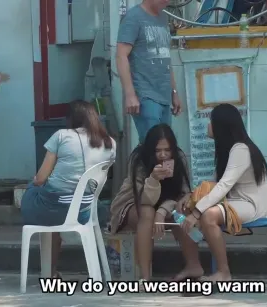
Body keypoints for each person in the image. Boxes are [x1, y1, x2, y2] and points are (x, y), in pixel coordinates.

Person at [180, 103, 267, 282]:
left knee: (208, 215)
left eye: (211, 121)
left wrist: (197, 212)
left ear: (221, 126)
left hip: (254, 204)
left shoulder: (241, 149)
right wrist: (191, 196)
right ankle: (193, 265)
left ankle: (224, 272)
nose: (208, 126)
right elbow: (213, 183)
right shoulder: (228, 149)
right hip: (239, 201)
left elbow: (223, 186)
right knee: (188, 207)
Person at [21, 100, 116, 278]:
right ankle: (52, 272)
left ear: (70, 119)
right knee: (57, 204)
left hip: (56, 208)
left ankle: (49, 272)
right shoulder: (109, 142)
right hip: (86, 210)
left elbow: (41, 179)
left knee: (34, 190)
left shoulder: (62, 136)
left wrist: (35, 183)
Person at [109, 123, 191, 283]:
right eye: (158, 150)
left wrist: (162, 211)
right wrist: (153, 180)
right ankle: (145, 276)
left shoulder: (179, 158)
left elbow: (184, 194)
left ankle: (194, 265)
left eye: (167, 150)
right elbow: (144, 200)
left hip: (166, 210)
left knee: (182, 214)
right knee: (147, 212)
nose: (163, 155)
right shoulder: (139, 159)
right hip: (132, 208)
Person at [116, 0, 183, 143]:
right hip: (145, 94)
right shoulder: (133, 17)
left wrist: (174, 92)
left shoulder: (163, 17)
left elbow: (166, 57)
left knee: (165, 147)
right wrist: (130, 94)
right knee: (153, 147)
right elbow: (121, 56)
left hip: (164, 95)